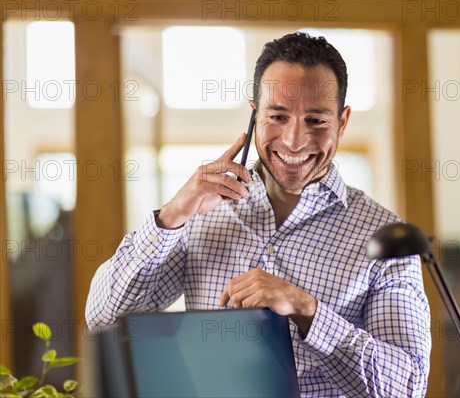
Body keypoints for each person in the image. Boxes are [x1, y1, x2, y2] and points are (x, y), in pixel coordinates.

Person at [86, 32, 431, 397]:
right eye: (278, 116)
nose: (294, 141)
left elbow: (406, 388)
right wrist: (171, 216)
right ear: (254, 115)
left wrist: (307, 310)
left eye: (316, 120)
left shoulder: (388, 237)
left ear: (342, 123)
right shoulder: (201, 212)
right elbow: (104, 319)